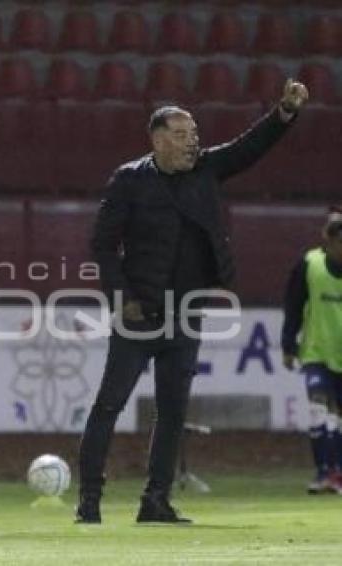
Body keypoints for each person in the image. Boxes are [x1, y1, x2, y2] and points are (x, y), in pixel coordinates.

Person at [77, 79, 309, 524]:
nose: (192, 142)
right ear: (157, 138)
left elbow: (249, 147)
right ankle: (89, 500)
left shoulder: (206, 169)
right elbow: (103, 246)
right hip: (137, 314)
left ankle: (155, 501)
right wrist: (121, 298)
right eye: (182, 135)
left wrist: (284, 112)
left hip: (186, 312)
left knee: (173, 412)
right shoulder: (129, 180)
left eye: (195, 135)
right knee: (109, 405)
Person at [282, 206, 342, 495]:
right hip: (316, 353)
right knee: (320, 411)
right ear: (328, 241)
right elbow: (293, 306)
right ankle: (323, 473)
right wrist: (287, 345)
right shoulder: (310, 265)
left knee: (337, 420)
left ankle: (337, 474)